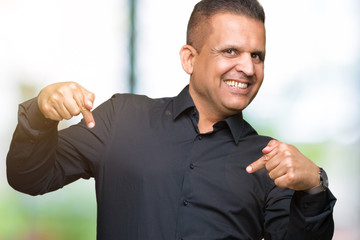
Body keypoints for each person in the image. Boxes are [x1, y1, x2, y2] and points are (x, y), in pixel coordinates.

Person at [7, 0, 336, 239]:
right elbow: (29, 177)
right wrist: (41, 111)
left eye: (257, 56)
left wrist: (313, 188)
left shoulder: (269, 160)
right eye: (231, 51)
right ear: (189, 59)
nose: (249, 69)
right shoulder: (121, 118)